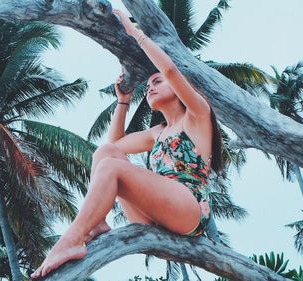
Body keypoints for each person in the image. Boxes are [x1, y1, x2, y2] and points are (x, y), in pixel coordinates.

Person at [30, 8, 224, 279]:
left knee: (111, 166)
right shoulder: (157, 132)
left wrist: (134, 32)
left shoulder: (197, 116)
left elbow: (169, 68)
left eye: (157, 82)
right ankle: (96, 223)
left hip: (188, 209)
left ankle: (69, 241)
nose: (150, 88)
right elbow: (114, 148)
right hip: (154, 215)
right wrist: (123, 101)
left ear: (178, 89)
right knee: (107, 152)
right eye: (149, 85)